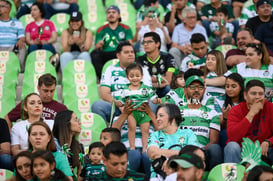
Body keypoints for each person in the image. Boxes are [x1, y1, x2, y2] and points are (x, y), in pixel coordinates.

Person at [91, 41, 151, 123]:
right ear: (118, 55)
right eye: (126, 52)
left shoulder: (143, 69)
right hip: (116, 107)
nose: (130, 54)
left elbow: (147, 91)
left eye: (132, 52)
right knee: (97, 106)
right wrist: (119, 104)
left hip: (139, 104)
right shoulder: (110, 69)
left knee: (154, 104)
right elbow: (104, 93)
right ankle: (107, 133)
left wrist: (132, 105)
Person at [224, 80, 273, 163]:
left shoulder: (271, 108)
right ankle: (233, 175)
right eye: (253, 94)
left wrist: (269, 141)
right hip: (242, 149)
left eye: (261, 94)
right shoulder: (235, 110)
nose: (257, 97)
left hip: (264, 150)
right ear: (245, 96)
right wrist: (251, 113)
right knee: (231, 146)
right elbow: (233, 137)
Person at [180, 75, 222, 170]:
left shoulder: (212, 113)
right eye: (192, 87)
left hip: (204, 152)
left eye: (200, 87)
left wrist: (198, 153)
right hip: (181, 151)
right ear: (185, 90)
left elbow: (213, 142)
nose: (196, 90)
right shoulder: (177, 112)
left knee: (215, 148)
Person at [115, 63, 160, 152]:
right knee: (132, 128)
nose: (135, 78)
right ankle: (132, 147)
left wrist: (157, 100)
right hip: (131, 113)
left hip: (144, 112)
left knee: (145, 130)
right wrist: (118, 103)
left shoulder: (146, 88)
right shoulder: (126, 89)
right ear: (127, 77)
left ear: (142, 76)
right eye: (132, 76)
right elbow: (121, 101)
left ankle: (144, 148)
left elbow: (153, 98)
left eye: (137, 76)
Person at [147, 103, 199, 179]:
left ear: (172, 117)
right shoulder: (155, 135)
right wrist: (182, 154)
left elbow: (193, 155)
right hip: (159, 176)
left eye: (161, 116)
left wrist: (170, 160)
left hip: (183, 175)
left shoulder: (188, 134)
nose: (157, 119)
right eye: (156, 116)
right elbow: (153, 153)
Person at [112, 98, 158, 176]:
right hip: (128, 150)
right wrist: (125, 114)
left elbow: (162, 131)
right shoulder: (118, 118)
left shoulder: (150, 117)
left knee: (147, 155)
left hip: (149, 148)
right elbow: (112, 133)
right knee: (134, 154)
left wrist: (149, 113)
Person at [91, 5, 133, 78]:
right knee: (95, 54)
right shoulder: (100, 29)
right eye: (109, 13)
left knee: (131, 51)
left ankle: (129, 74)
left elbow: (130, 43)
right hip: (106, 52)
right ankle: (102, 77)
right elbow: (96, 46)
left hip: (120, 52)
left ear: (119, 15)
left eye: (114, 12)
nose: (111, 14)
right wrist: (99, 44)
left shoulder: (126, 28)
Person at [136, 32, 175, 97]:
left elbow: (168, 80)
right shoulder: (140, 60)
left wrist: (151, 79)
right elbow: (140, 81)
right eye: (144, 42)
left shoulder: (168, 57)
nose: (145, 44)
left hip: (164, 89)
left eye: (149, 42)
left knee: (169, 90)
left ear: (157, 44)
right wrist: (159, 81)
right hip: (147, 90)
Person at [52, 110, 83, 177]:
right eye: (76, 120)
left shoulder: (77, 146)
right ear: (66, 123)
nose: (79, 123)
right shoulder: (54, 144)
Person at [218, 73, 245, 148]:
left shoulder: (247, 101)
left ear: (241, 87)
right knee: (225, 133)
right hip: (227, 133)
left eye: (233, 86)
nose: (229, 89)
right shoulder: (219, 100)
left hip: (244, 132)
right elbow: (218, 123)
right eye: (227, 86)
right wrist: (225, 118)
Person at [0, 0, 26, 72]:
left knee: (22, 46)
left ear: (8, 9)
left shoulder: (17, 22)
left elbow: (22, 37)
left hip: (12, 49)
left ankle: (18, 70)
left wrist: (21, 40)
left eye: (1, 6)